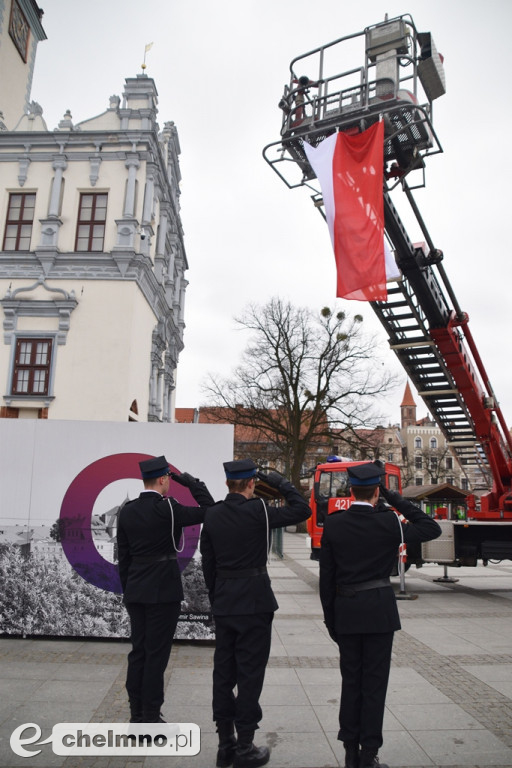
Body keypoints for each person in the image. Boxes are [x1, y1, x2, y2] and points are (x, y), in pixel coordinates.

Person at [319, 462, 442, 768]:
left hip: (346, 611)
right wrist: (395, 498)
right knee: (374, 685)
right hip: (378, 612)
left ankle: (349, 752)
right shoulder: (389, 522)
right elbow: (431, 528)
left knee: (351, 683)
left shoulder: (334, 523)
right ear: (377, 492)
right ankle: (368, 754)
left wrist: (331, 620)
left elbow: (326, 579)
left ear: (349, 491)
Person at [200, 459, 311, 768]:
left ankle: (225, 744)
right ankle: (245, 745)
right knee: (250, 675)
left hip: (225, 601)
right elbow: (303, 509)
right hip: (255, 602)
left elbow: (208, 562)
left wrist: (217, 595)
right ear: (251, 483)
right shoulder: (260, 511)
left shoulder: (212, 515)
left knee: (223, 674)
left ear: (226, 484)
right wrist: (279, 481)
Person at [117, 455, 215, 724]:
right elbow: (209, 509)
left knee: (139, 651)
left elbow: (122, 558)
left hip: (136, 589)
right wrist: (191, 482)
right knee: (156, 654)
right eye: (169, 479)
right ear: (163, 479)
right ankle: (151, 716)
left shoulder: (127, 510)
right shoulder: (169, 509)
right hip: (164, 591)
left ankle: (136, 714)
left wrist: (130, 590)